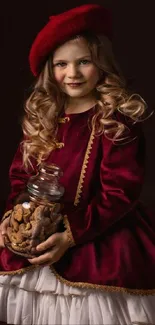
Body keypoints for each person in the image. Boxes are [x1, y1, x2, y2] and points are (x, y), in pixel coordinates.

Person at [0, 3, 155, 325]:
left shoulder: (117, 121)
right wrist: (13, 217)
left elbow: (121, 190)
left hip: (101, 236)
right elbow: (20, 178)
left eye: (84, 61)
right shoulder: (43, 117)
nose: (72, 73)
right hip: (37, 236)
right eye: (61, 64)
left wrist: (70, 236)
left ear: (101, 65)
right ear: (49, 70)